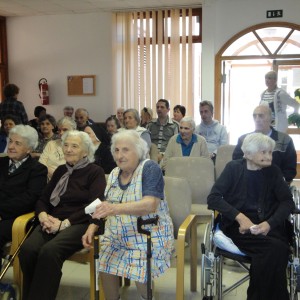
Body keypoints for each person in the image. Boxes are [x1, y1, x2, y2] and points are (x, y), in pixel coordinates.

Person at [82, 130, 174, 300]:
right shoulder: (114, 174)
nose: (120, 155)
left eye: (125, 150)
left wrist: (114, 209)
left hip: (148, 234)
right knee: (105, 262)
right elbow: (104, 205)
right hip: (117, 233)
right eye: (116, 150)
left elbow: (150, 205)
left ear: (138, 151)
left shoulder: (149, 168)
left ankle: (147, 297)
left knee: (139, 268)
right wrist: (92, 226)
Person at [19, 130, 106, 300]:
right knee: (28, 250)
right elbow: (43, 199)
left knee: (50, 251)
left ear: (86, 151)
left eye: (74, 146)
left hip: (80, 223)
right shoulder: (60, 171)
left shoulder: (95, 172)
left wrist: (65, 223)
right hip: (51, 220)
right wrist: (43, 216)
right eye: (66, 145)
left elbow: (94, 206)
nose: (68, 149)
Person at [207, 133, 295, 300]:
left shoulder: (274, 172)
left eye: (270, 152)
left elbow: (287, 202)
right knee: (276, 250)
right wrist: (239, 217)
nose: (269, 156)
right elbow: (213, 198)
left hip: (271, 227)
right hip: (239, 229)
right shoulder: (233, 168)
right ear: (247, 154)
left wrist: (269, 224)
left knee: (276, 248)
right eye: (263, 152)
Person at [0, 125, 47, 262]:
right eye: (10, 141)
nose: (11, 146)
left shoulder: (37, 170)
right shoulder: (1, 163)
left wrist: (1, 212)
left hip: (18, 218)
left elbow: (29, 199)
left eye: (17, 143)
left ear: (29, 149)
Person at [232, 105, 297, 184]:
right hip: (249, 184)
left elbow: (290, 169)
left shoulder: (285, 140)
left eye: (261, 116)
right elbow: (236, 164)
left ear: (270, 119)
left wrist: (279, 183)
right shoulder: (243, 140)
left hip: (276, 185)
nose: (257, 119)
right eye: (254, 116)